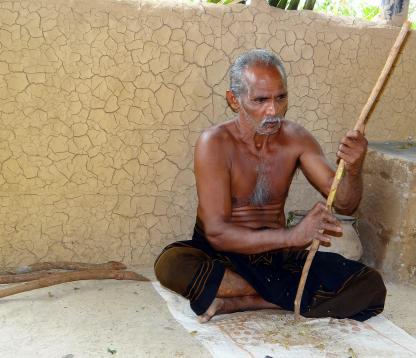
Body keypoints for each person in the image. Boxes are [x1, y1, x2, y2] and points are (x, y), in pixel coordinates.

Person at [154, 49, 386, 323]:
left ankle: (243, 301)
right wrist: (293, 236)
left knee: (370, 285)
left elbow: (346, 202)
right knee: (171, 264)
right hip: (224, 253)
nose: (273, 111)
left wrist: (354, 168)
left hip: (276, 258)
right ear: (234, 100)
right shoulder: (214, 143)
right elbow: (216, 233)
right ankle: (288, 294)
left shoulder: (297, 138)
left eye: (281, 98)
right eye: (261, 100)